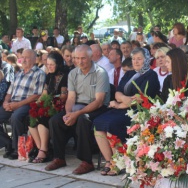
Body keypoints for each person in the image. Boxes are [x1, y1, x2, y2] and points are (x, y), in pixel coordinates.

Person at [93, 48, 159, 176]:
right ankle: (109, 161)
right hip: (122, 107)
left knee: (111, 125)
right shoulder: (129, 73)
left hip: (138, 111)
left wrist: (119, 105)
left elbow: (140, 99)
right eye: (134, 59)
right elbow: (118, 92)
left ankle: (119, 163)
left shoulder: (151, 75)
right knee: (98, 123)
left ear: (146, 59)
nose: (136, 61)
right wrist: (123, 100)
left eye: (139, 59)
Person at [45, 45, 110, 174]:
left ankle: (86, 161)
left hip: (96, 107)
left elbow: (99, 101)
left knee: (82, 119)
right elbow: (71, 98)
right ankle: (59, 158)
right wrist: (69, 113)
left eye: (83, 58)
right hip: (77, 106)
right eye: (77, 58)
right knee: (55, 120)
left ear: (91, 57)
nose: (80, 61)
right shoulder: (73, 73)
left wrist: (77, 114)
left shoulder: (100, 73)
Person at [0, 49, 46, 159]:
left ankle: (17, 150)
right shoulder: (19, 73)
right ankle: (9, 144)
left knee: (16, 117)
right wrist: (6, 102)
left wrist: (18, 104)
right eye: (23, 57)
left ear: (34, 59)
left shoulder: (39, 74)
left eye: (27, 57)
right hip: (12, 103)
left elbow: (37, 95)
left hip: (27, 104)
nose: (24, 59)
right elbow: (9, 92)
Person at [28, 52, 68, 163]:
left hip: (60, 106)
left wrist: (50, 103)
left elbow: (63, 97)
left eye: (52, 64)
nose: (49, 67)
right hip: (49, 104)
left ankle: (43, 150)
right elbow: (45, 92)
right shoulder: (49, 75)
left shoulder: (65, 76)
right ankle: (42, 148)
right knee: (30, 119)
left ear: (58, 64)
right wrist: (37, 105)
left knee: (42, 122)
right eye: (48, 64)